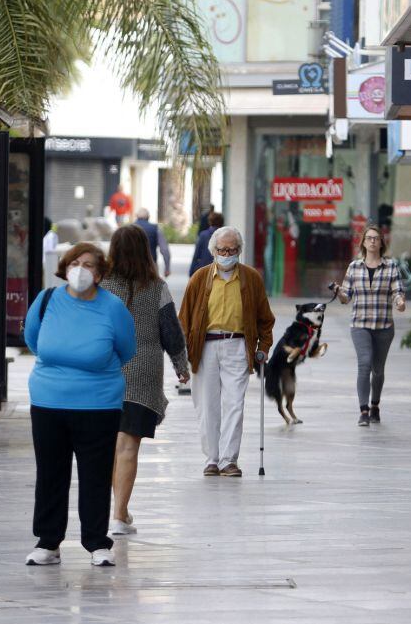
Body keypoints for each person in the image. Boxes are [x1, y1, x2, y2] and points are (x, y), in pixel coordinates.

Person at [23, 243, 137, 567]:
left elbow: (127, 348)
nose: (80, 269)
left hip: (98, 403)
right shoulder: (46, 300)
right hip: (48, 400)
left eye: (89, 265)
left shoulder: (113, 307)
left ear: (100, 274)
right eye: (75, 262)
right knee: (50, 472)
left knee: (95, 474)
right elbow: (34, 341)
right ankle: (48, 542)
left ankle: (97, 542)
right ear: (64, 267)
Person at [101, 226, 191, 536]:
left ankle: (116, 512)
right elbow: (171, 332)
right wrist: (182, 365)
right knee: (128, 446)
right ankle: (119, 514)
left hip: (105, 374)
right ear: (145, 250)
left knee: (112, 444)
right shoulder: (156, 287)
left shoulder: (100, 285)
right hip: (143, 372)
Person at [179, 226, 275, 477]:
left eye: (232, 250)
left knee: (235, 404)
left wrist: (262, 348)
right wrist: (181, 359)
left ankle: (228, 460)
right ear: (213, 251)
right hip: (205, 346)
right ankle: (212, 458)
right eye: (222, 249)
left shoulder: (251, 278)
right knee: (207, 405)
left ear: (239, 251)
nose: (227, 254)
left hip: (237, 345)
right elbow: (184, 320)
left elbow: (266, 319)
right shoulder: (200, 278)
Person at [333, 223, 406, 427]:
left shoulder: (391, 266)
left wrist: (400, 301)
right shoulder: (354, 267)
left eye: (376, 238)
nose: (373, 241)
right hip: (360, 324)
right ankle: (363, 411)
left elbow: (397, 291)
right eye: (369, 238)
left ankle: (375, 405)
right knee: (364, 364)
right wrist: (339, 292)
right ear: (363, 242)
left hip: (384, 325)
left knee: (378, 369)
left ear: (381, 242)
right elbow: (346, 297)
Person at [134, 208, 171, 278]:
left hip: (131, 267)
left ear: (136, 216)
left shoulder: (127, 229)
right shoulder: (155, 229)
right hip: (151, 266)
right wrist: (167, 268)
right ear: (148, 217)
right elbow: (164, 250)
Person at [189, 211, 223, 276]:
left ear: (210, 222)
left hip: (204, 269)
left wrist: (191, 272)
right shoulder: (225, 235)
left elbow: (196, 255)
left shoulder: (203, 235)